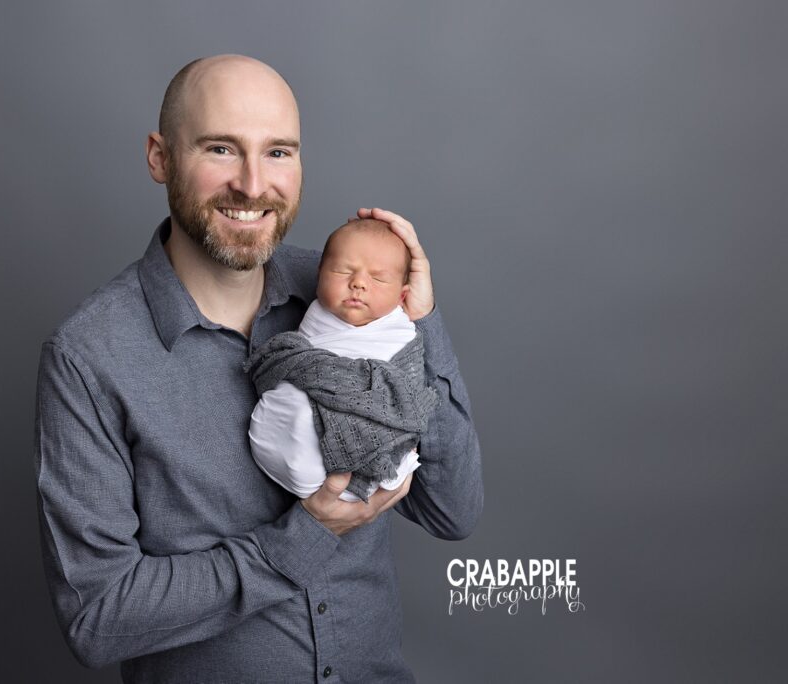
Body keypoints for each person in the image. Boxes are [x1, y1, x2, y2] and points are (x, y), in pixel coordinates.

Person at [34, 54, 483, 683]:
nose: (252, 184)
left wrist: (418, 321)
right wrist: (298, 541)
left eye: (278, 152)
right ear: (160, 157)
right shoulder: (91, 356)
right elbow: (99, 616)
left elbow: (452, 510)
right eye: (221, 148)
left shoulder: (351, 294)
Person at [246, 219, 432, 503]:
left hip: (349, 466)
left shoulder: (400, 334)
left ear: (401, 296)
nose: (357, 283)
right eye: (342, 270)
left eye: (378, 278)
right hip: (272, 441)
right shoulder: (317, 313)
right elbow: (293, 362)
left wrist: (424, 314)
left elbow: (405, 395)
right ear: (319, 274)